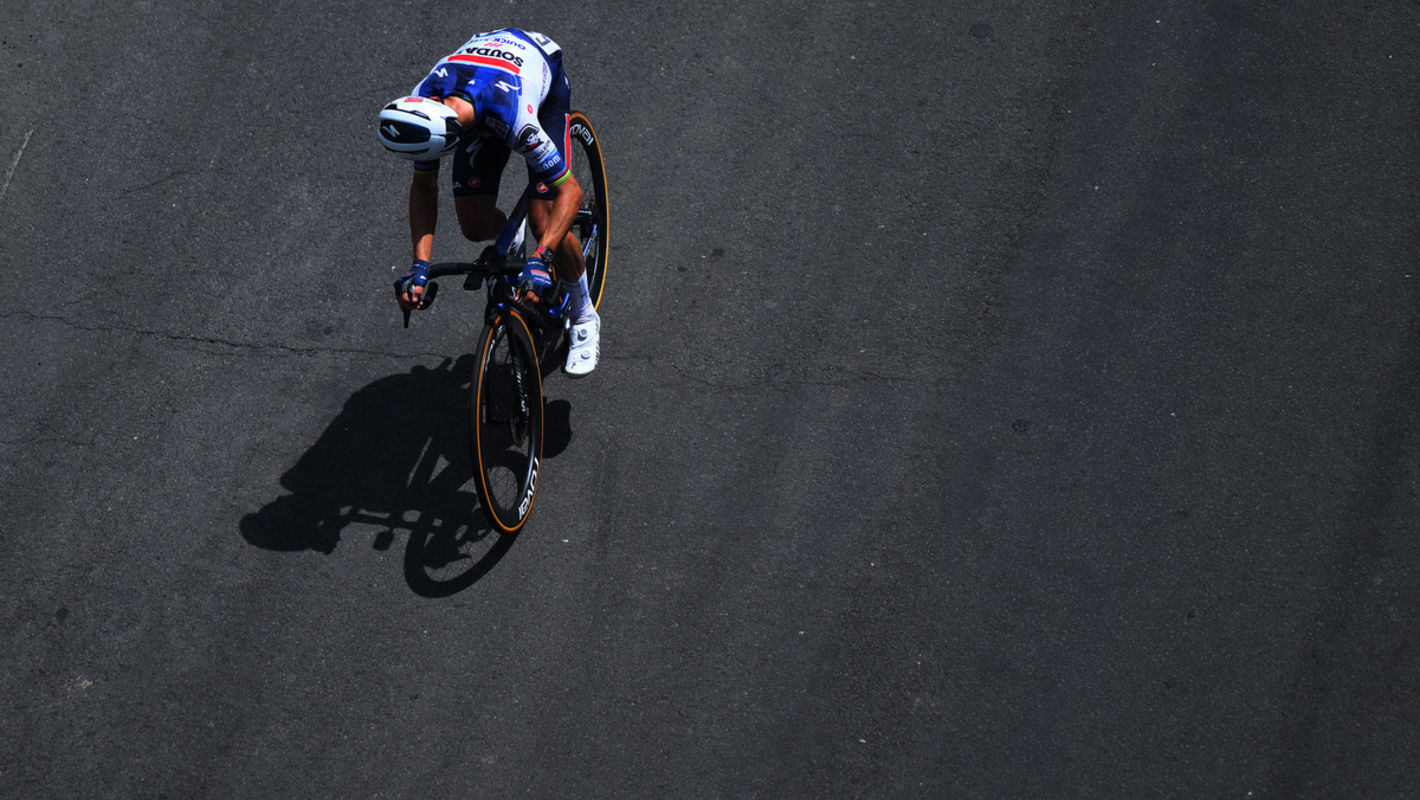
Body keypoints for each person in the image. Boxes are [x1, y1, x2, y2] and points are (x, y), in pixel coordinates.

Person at [377, 28, 600, 376]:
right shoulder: (423, 102)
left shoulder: (517, 119)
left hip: (530, 84)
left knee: (545, 223)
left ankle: (584, 312)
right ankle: (512, 235)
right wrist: (419, 265)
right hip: (478, 94)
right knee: (474, 225)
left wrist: (541, 258)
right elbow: (423, 187)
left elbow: (571, 193)